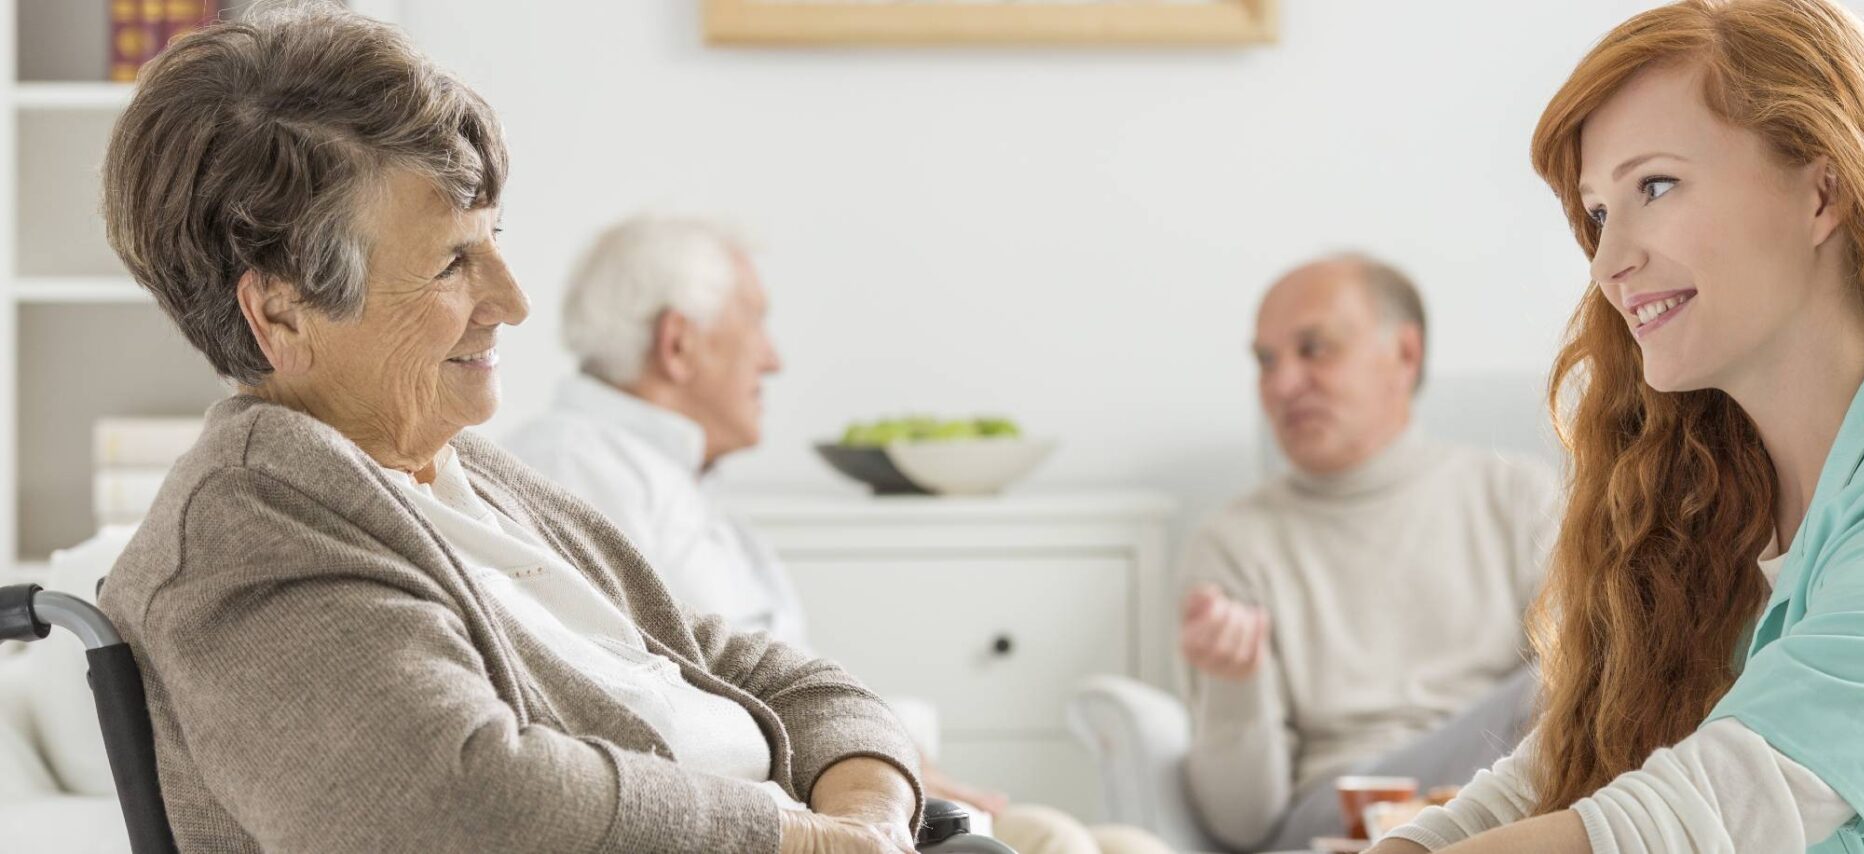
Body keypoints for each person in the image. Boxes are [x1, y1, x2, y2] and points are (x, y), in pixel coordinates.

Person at [95, 6, 926, 852]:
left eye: (495, 241)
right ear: (282, 312)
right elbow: (464, 806)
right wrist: (797, 837)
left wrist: (871, 816)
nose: (513, 302)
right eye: (452, 262)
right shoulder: (248, 542)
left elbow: (737, 664)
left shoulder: (465, 479)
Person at [1375, 1, 1864, 852]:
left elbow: (1696, 822)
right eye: (1597, 213)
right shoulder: (1717, 504)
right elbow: (1556, 769)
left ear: (1822, 189)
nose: (1609, 261)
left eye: (1653, 186)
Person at [506, 213, 1173, 854]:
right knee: (1061, 841)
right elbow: (646, 713)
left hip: (828, 786)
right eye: (757, 323)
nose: (774, 360)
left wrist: (882, 757)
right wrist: (862, 779)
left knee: (1125, 845)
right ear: (679, 344)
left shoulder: (678, 486)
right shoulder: (572, 469)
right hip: (770, 818)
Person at [1179, 252, 1556, 851]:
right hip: (1333, 816)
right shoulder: (1232, 544)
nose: (1280, 386)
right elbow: (1245, 828)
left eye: (1313, 349)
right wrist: (1234, 687)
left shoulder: (1518, 495)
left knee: (1582, 676)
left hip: (1500, 792)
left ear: (1404, 355)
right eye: (1266, 360)